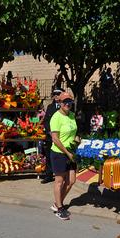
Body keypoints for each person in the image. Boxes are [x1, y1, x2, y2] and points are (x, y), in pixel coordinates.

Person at [49, 92, 78, 220]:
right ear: (59, 103)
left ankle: (57, 203)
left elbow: (74, 133)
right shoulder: (56, 117)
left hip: (71, 152)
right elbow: (55, 138)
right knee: (59, 181)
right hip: (59, 153)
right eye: (64, 102)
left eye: (69, 102)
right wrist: (67, 152)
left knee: (71, 181)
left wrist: (78, 141)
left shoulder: (72, 115)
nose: (67, 104)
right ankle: (60, 208)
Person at [40, 87, 65, 184]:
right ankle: (49, 175)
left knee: (61, 156)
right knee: (49, 156)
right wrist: (49, 131)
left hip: (61, 137)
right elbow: (46, 120)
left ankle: (62, 175)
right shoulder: (50, 107)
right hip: (50, 137)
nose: (56, 96)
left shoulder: (65, 106)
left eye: (58, 94)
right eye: (54, 94)